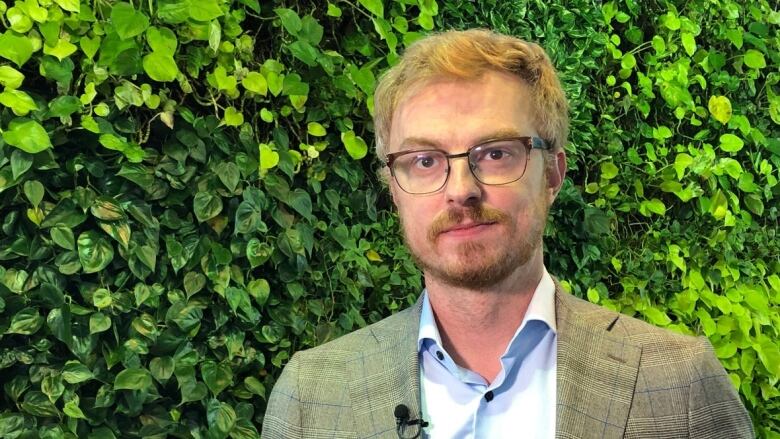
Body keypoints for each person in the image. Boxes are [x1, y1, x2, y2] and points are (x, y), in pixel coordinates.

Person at [262, 29, 753, 438]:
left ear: (553, 175)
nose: (460, 190)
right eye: (425, 160)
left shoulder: (677, 385)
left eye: (495, 153)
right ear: (393, 187)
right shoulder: (311, 397)